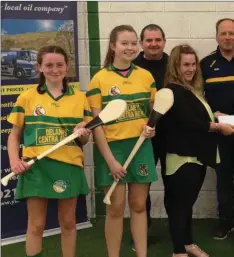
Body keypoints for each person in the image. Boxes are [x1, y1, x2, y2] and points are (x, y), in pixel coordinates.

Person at [7, 45, 92, 257]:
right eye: (49, 65)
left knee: (69, 223)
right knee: (36, 225)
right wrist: (14, 160)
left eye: (60, 65)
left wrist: (82, 133)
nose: (55, 70)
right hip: (36, 168)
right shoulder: (26, 97)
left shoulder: (80, 98)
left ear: (68, 66)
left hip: (69, 165)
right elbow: (14, 135)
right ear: (40, 68)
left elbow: (86, 139)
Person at [86, 24, 158, 257]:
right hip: (112, 150)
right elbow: (96, 126)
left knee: (138, 206)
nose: (130, 47)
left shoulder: (146, 76)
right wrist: (110, 161)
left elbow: (152, 114)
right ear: (113, 46)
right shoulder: (99, 79)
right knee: (115, 209)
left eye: (133, 43)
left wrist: (151, 129)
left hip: (140, 148)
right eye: (124, 43)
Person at [161, 44, 234, 257]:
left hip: (196, 157)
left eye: (193, 64)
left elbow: (197, 117)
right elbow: (187, 121)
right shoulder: (170, 91)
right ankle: (179, 252)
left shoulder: (191, 90)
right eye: (185, 64)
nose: (191, 69)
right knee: (179, 208)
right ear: (175, 66)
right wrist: (217, 126)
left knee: (186, 207)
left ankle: (187, 243)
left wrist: (216, 115)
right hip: (181, 159)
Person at [200, 18, 234, 240]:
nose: (228, 37)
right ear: (216, 36)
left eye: (232, 33)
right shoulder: (206, 64)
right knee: (223, 178)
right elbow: (198, 97)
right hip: (220, 132)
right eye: (223, 33)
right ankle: (225, 221)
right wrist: (214, 116)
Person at [130, 23, 169, 251]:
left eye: (158, 40)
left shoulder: (173, 64)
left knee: (174, 185)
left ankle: (178, 231)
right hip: (142, 138)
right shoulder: (132, 67)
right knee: (141, 186)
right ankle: (141, 231)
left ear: (164, 41)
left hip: (172, 136)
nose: (154, 44)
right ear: (141, 43)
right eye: (149, 40)